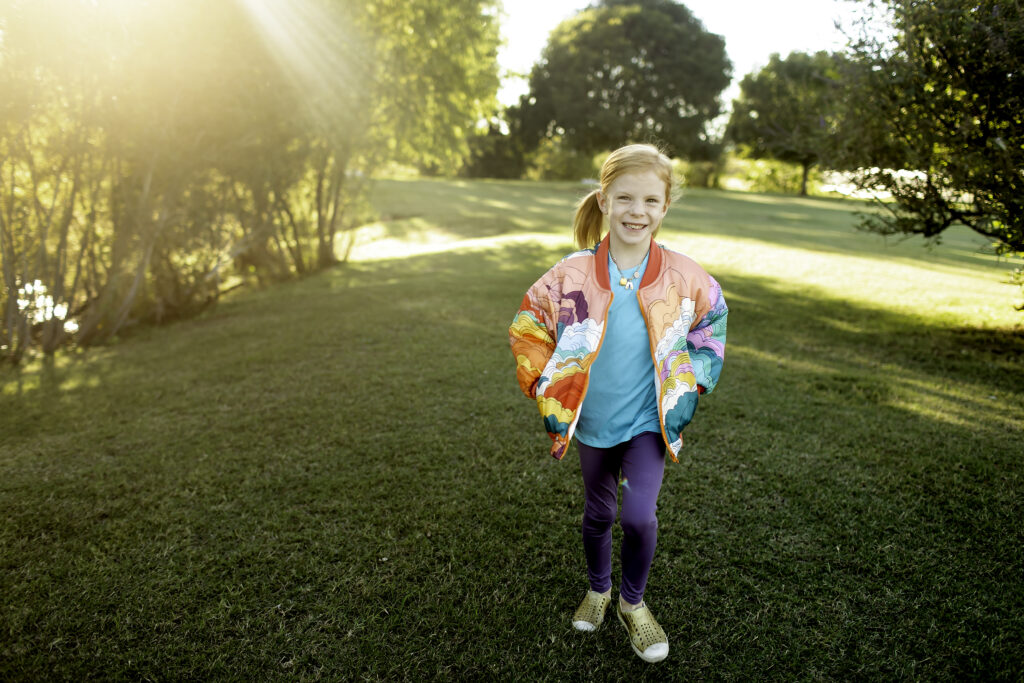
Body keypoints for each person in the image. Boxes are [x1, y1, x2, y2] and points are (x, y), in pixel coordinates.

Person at [508, 143, 727, 663]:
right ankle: (599, 588)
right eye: (625, 198)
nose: (637, 211)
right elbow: (530, 321)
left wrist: (690, 381)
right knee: (599, 511)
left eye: (651, 200)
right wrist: (545, 381)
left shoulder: (683, 276)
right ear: (604, 199)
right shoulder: (572, 273)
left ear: (665, 207)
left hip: (648, 419)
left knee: (639, 517)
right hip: (591, 419)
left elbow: (712, 323)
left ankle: (633, 603)